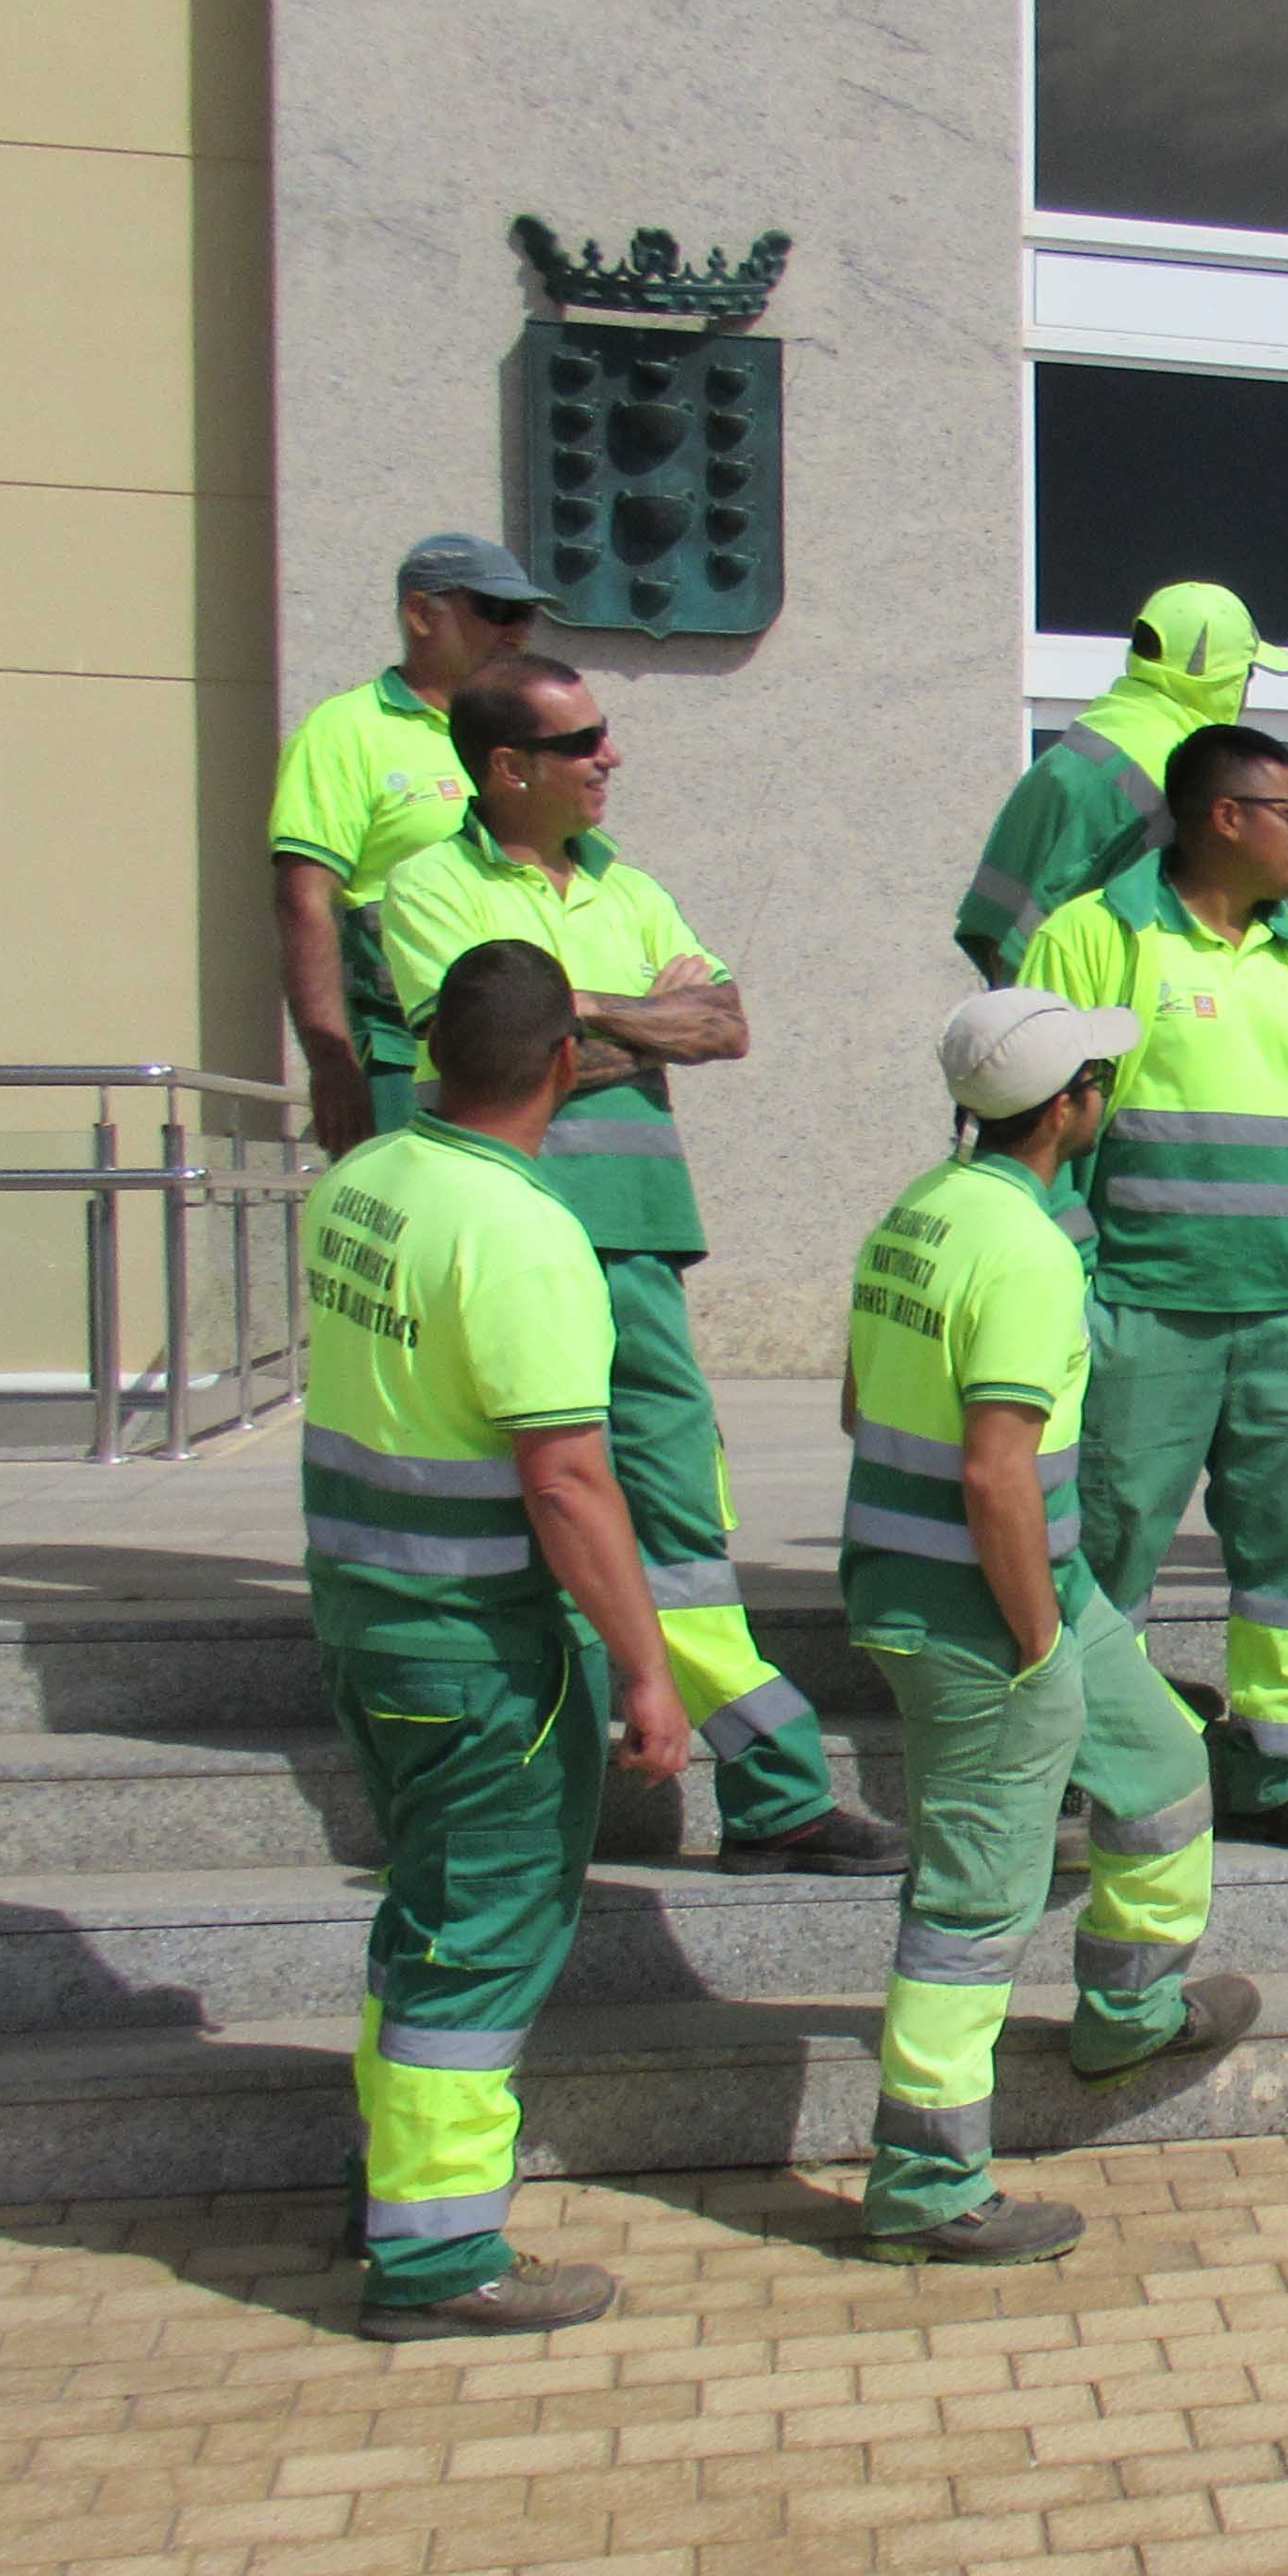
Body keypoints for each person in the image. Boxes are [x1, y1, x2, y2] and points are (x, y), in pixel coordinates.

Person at [378, 653, 905, 1878]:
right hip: (509, 1239)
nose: (610, 757)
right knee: (545, 1511)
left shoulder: (633, 886)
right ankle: (557, 1799)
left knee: (675, 1520)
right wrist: (631, 1015)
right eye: (584, 742)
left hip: (635, 1246)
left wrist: (573, 1009)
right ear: (509, 768)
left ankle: (774, 1795)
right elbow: (488, 1052)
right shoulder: (423, 889)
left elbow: (723, 1024)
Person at [300, 938, 692, 2339]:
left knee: (426, 1912)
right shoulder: (524, 1234)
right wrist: (647, 1665)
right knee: (480, 1933)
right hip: (476, 1647)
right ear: (566, 1067)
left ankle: (395, 2181)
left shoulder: (359, 1184)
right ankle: (434, 2255)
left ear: (430, 1059)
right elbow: (568, 1479)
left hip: (367, 1622)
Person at [836, 988, 1262, 2259]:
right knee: (973, 1902)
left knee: (1163, 1765)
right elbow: (994, 1470)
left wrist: (1052, 1612)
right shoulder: (1022, 1249)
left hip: (1018, 1583)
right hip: (987, 1607)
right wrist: (1033, 1642)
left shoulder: (919, 1210)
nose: (1105, 1098)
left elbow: (860, 1406)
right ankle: (924, 2184)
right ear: (1068, 1108)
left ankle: (1129, 2012)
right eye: (1098, 1081)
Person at [1021, 723, 1288, 1857]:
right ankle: (1114, 1780)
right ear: (1225, 818)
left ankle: (1279, 1774)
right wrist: (1087, 1288)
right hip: (1143, 1317)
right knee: (1113, 1551)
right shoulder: (1094, 935)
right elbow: (1040, 1134)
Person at [270, 535, 551, 1154]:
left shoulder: (526, 734)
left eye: (525, 616)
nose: (517, 633)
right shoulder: (346, 731)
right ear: (422, 614)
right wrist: (331, 1060)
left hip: (519, 1041)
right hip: (402, 1043)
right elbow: (303, 899)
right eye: (496, 611)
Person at [953, 582, 1288, 985]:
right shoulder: (1183, 777)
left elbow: (994, 919)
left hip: (1024, 1009)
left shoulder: (1076, 748)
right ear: (1224, 680)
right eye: (1246, 676)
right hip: (1088, 1014)